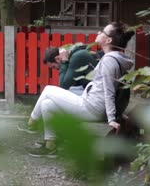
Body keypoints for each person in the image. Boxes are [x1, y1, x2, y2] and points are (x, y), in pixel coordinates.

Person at [19, 22, 135, 158]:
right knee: (47, 104)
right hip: (93, 104)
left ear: (108, 40)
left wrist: (111, 118)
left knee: (48, 89)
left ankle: (31, 124)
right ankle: (50, 146)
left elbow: (109, 91)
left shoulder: (109, 60)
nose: (99, 33)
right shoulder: (114, 58)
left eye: (102, 32)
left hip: (93, 108)